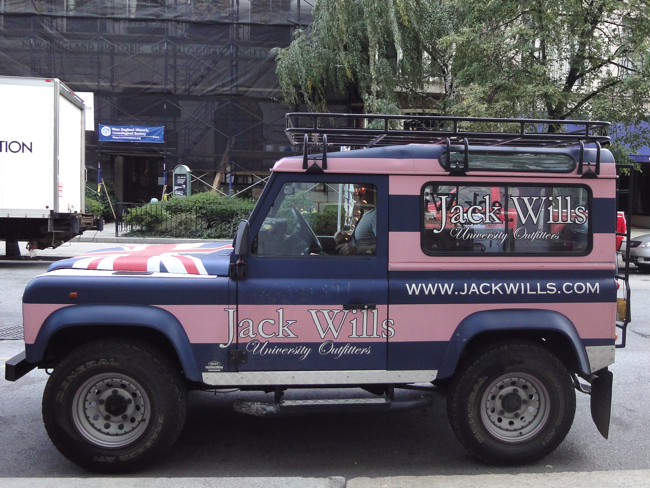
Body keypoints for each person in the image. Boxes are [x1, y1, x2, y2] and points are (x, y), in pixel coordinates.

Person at [335, 186, 377, 255]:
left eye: (363, 190)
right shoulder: (365, 215)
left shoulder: (375, 216)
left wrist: (357, 250)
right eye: (357, 190)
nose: (358, 194)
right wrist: (346, 238)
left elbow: (384, 245)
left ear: (373, 193)